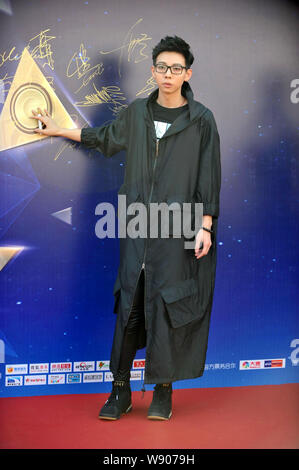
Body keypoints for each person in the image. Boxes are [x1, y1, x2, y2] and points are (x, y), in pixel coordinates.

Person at [30, 35, 221, 421]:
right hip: (136, 230)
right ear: (153, 71)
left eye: (177, 68)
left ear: (188, 73)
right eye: (162, 67)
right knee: (131, 306)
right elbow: (102, 138)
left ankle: (163, 391)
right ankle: (120, 390)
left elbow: (209, 174)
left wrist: (205, 225)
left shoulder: (201, 119)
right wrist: (57, 130)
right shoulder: (136, 114)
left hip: (176, 232)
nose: (169, 75)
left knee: (169, 307)